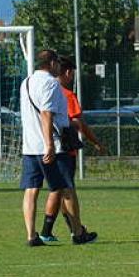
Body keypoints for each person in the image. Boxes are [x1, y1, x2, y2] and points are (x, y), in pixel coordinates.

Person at [19, 48, 96, 246]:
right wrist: (50, 145)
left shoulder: (25, 82)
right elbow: (46, 114)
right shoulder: (51, 83)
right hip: (51, 146)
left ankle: (31, 235)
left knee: (31, 190)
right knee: (66, 188)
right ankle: (78, 233)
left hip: (29, 146)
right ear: (52, 63)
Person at [39, 55, 105, 243]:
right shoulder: (66, 94)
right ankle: (76, 232)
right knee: (66, 189)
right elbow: (78, 122)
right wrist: (96, 142)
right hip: (65, 148)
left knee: (57, 189)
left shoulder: (44, 89)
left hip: (45, 146)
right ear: (68, 72)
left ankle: (51, 230)